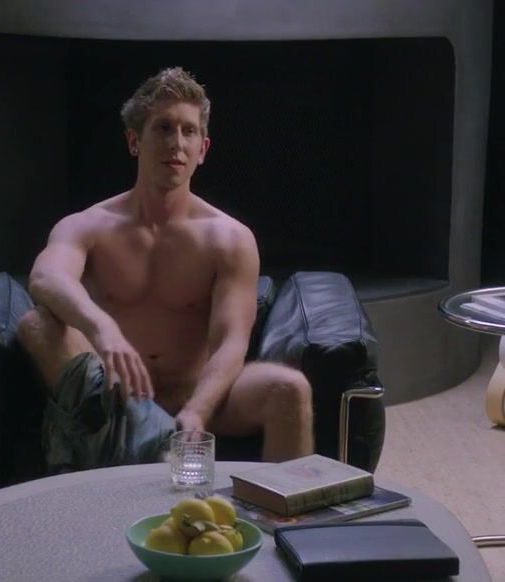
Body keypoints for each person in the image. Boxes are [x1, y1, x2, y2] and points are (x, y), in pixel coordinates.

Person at [17, 67, 313, 463]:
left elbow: (230, 343)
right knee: (38, 325)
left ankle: (282, 510)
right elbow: (45, 277)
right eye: (163, 128)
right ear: (134, 141)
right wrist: (103, 328)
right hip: (114, 393)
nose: (177, 143)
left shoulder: (229, 238)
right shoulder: (88, 226)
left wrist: (198, 410)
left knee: (290, 389)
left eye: (189, 131)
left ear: (203, 149)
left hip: (197, 394)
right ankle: (150, 442)